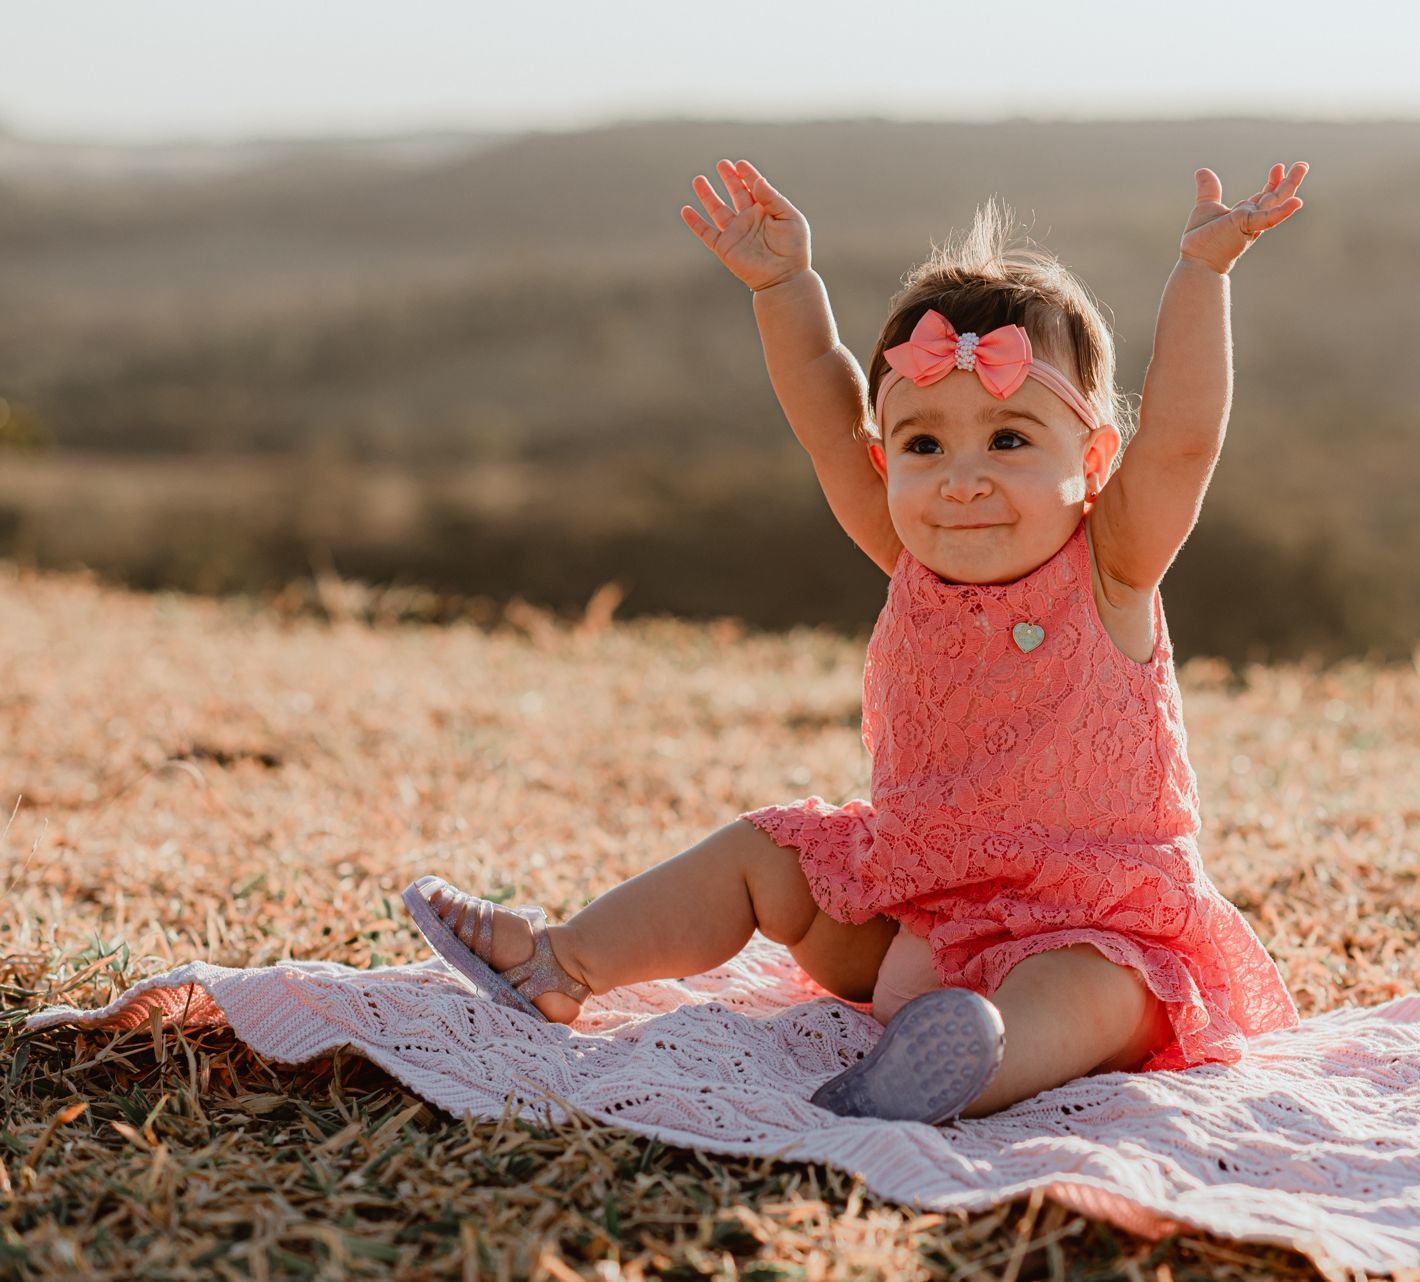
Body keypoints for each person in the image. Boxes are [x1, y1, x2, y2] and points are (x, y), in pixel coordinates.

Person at [404, 155, 1311, 1124]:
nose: (961, 478)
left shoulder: (1113, 565)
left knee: (1104, 994)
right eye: (924, 444)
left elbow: (1179, 438)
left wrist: (1201, 275)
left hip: (1088, 920)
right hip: (913, 910)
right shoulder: (905, 549)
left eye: (1009, 439)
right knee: (764, 851)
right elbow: (823, 409)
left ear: (1091, 460)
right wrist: (785, 287)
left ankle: (967, 1065)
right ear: (884, 460)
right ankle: (560, 960)